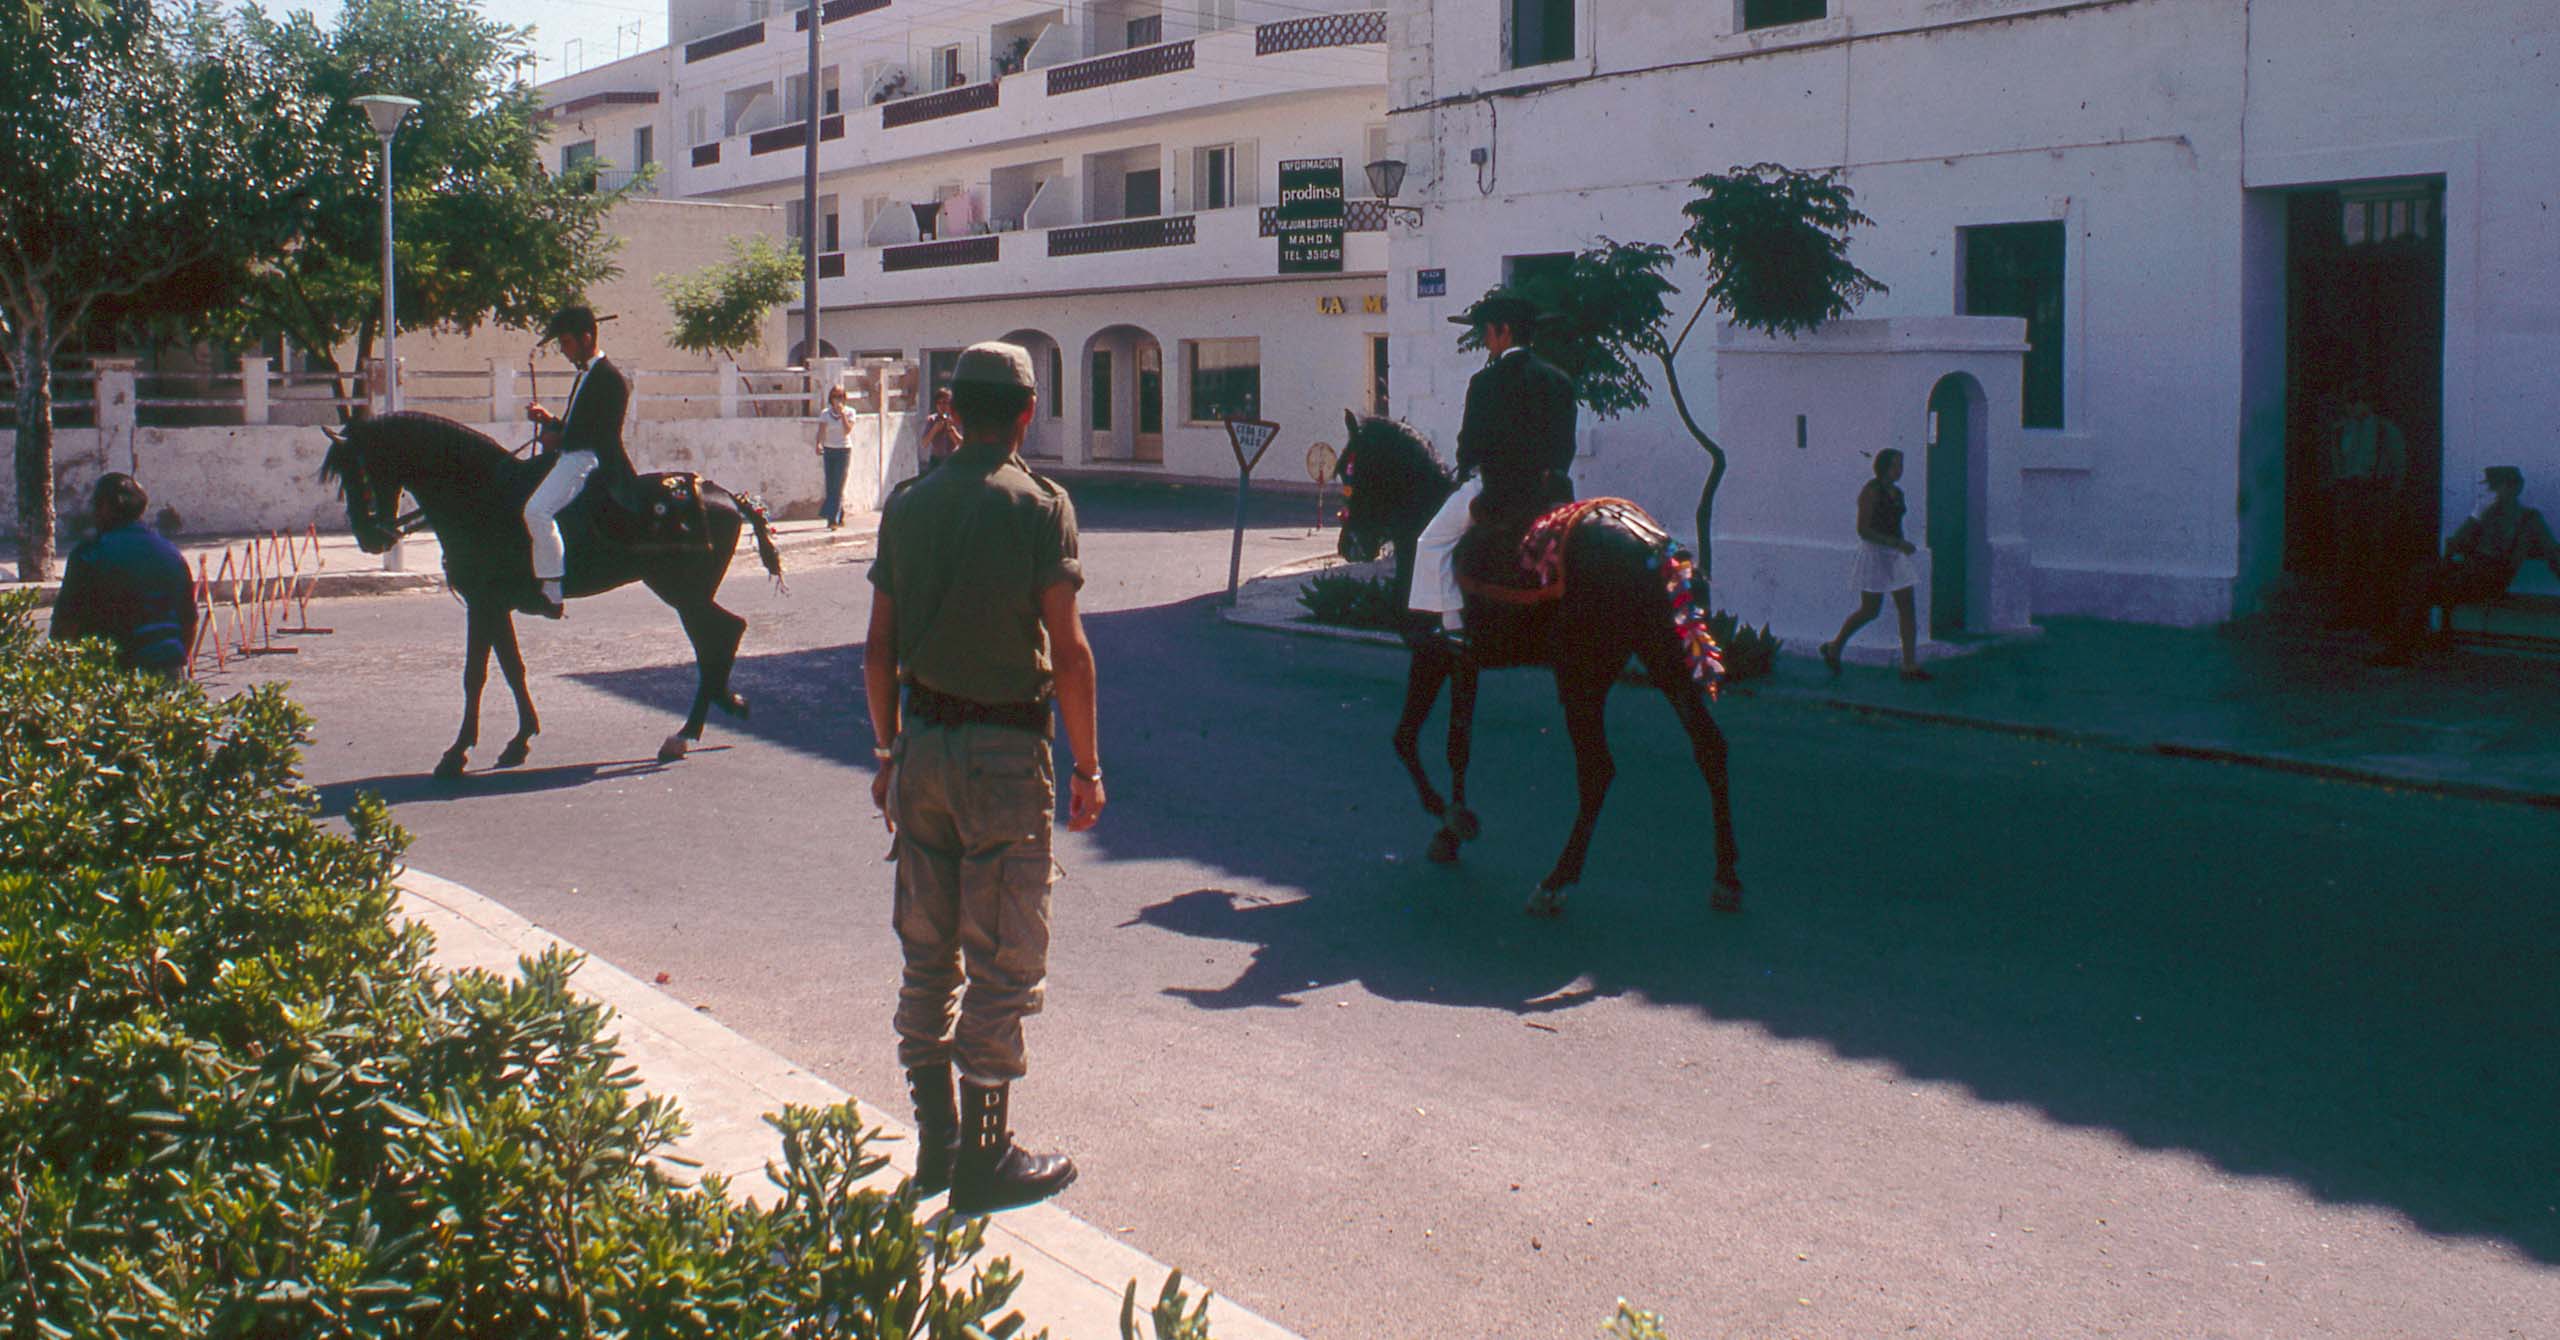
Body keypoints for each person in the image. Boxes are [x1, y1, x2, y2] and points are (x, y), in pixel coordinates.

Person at [864, 339, 1104, 1215]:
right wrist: (1088, 767)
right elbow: (1070, 654)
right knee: (1002, 957)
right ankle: (986, 1161)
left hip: (920, 746)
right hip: (1005, 757)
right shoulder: (1040, 506)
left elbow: (877, 650)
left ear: (953, 411)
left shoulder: (910, 505)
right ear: (1028, 414)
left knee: (927, 951)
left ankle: (937, 1143)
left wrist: (887, 755)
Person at [1407, 289, 1578, 653]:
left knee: (1431, 542)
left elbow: (1470, 447)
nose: (1486, 342)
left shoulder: (1485, 383)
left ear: (1503, 332)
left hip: (1499, 491)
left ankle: (1452, 625)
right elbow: (1565, 447)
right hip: (1550, 493)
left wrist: (1468, 469)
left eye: (1487, 333)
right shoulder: (1559, 379)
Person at [2371, 465, 2560, 663]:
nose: (2490, 492)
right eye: (2490, 487)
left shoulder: (2529, 519)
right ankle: (2404, 643)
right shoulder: (2486, 513)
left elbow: (2553, 554)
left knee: (2422, 579)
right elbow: (2454, 547)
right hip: (2467, 573)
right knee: (2417, 576)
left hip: (2490, 579)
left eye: (2496, 486)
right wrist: (2475, 516)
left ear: (2513, 488)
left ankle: (2401, 646)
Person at [521, 305, 634, 618]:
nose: (564, 350)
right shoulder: (587, 375)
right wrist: (552, 421)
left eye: (567, 342)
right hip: (573, 451)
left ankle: (552, 593)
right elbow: (579, 425)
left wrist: (558, 438)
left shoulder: (610, 378)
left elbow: (601, 434)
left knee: (537, 510)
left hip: (588, 459)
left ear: (586, 338)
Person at [50, 473, 195, 679]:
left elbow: (66, 624)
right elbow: (188, 621)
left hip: (114, 677)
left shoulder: (90, 555)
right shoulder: (171, 554)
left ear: (106, 507)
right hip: (167, 674)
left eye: (95, 505)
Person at [1818, 448, 1932, 682]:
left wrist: (1898, 545)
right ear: (1884, 466)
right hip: (1875, 553)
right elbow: (1864, 530)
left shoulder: (1898, 493)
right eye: (1895, 465)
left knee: (1907, 608)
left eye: (1901, 465)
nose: (1899, 470)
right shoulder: (1871, 492)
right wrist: (1895, 543)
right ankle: (1835, 646)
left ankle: (1909, 665)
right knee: (1870, 610)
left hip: (1894, 554)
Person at [2325, 386, 2409, 627]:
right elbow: (2334, 462)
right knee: (2346, 553)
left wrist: (2389, 495)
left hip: (2376, 494)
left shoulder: (2386, 430)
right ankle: (2345, 612)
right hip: (2349, 494)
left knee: (2377, 552)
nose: (2351, 408)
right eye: (2348, 403)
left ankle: (2376, 614)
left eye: (2356, 402)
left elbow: (2399, 465)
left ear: (2368, 403)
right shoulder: (2340, 431)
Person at [814, 383, 856, 529]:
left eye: (840, 396)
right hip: (829, 449)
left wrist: (842, 414)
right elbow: (821, 430)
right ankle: (839, 513)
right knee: (831, 484)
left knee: (838, 484)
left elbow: (847, 430)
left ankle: (832, 519)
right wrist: (819, 443)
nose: (837, 399)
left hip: (843, 450)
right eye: (835, 396)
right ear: (830, 398)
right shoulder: (825, 413)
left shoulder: (850, 412)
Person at [919, 386, 962, 473]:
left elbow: (962, 444)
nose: (942, 406)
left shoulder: (957, 419)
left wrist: (952, 431)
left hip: (952, 460)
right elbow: (924, 443)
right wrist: (935, 429)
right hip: (936, 461)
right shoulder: (932, 420)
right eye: (939, 403)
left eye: (945, 403)